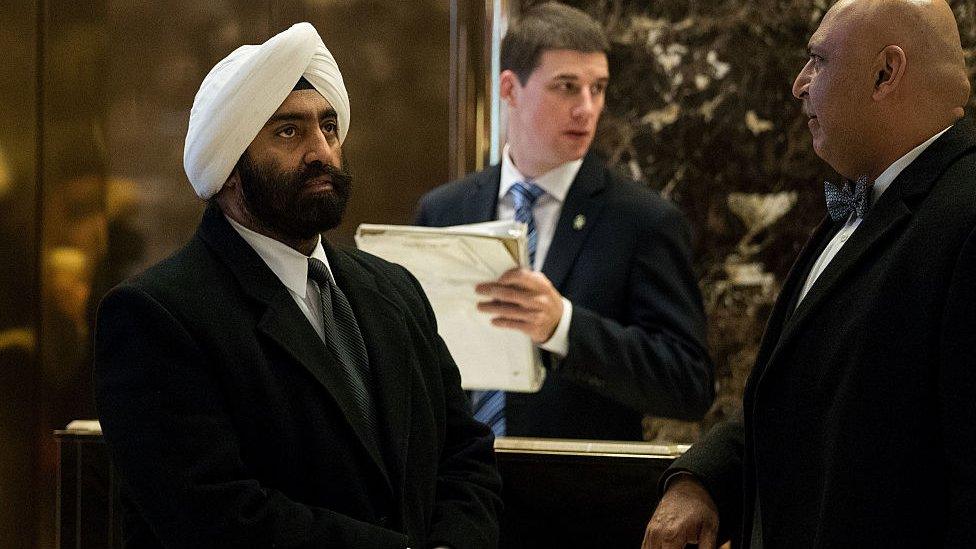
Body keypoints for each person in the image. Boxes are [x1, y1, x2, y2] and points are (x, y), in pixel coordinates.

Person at [94, 23, 502, 549]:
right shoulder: (157, 316)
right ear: (230, 165)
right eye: (289, 132)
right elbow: (217, 516)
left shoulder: (394, 291)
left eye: (328, 127)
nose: (322, 152)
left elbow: (464, 453)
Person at [643, 0, 976, 547]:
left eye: (818, 61)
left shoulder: (965, 221)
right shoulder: (867, 202)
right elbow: (816, 405)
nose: (799, 84)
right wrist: (702, 481)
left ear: (885, 73)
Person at [415, 2, 713, 441]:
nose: (587, 109)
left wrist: (564, 327)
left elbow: (690, 385)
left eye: (598, 88)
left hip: (575, 495)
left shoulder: (644, 221)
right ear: (510, 89)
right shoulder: (442, 211)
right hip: (454, 488)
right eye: (567, 87)